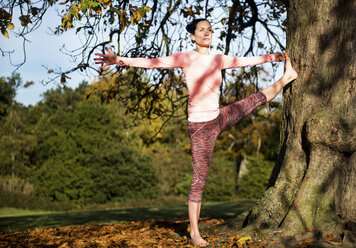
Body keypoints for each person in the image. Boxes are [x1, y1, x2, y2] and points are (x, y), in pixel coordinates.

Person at [94, 18, 297, 247]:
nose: (207, 33)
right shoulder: (186, 58)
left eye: (209, 29)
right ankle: (194, 233)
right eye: (202, 30)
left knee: (253, 101)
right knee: (199, 179)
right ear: (193, 36)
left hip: (218, 118)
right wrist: (118, 60)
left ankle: (287, 76)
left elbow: (244, 61)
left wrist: (273, 57)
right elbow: (153, 62)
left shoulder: (218, 59)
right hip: (200, 127)